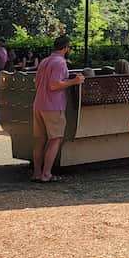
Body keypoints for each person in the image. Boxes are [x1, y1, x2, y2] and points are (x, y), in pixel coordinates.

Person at [31, 35, 85, 182]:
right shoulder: (60, 62)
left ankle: (37, 173)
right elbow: (54, 85)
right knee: (55, 139)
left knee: (39, 140)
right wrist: (75, 81)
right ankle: (46, 174)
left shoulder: (44, 61)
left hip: (39, 104)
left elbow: (37, 83)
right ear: (66, 48)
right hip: (54, 106)